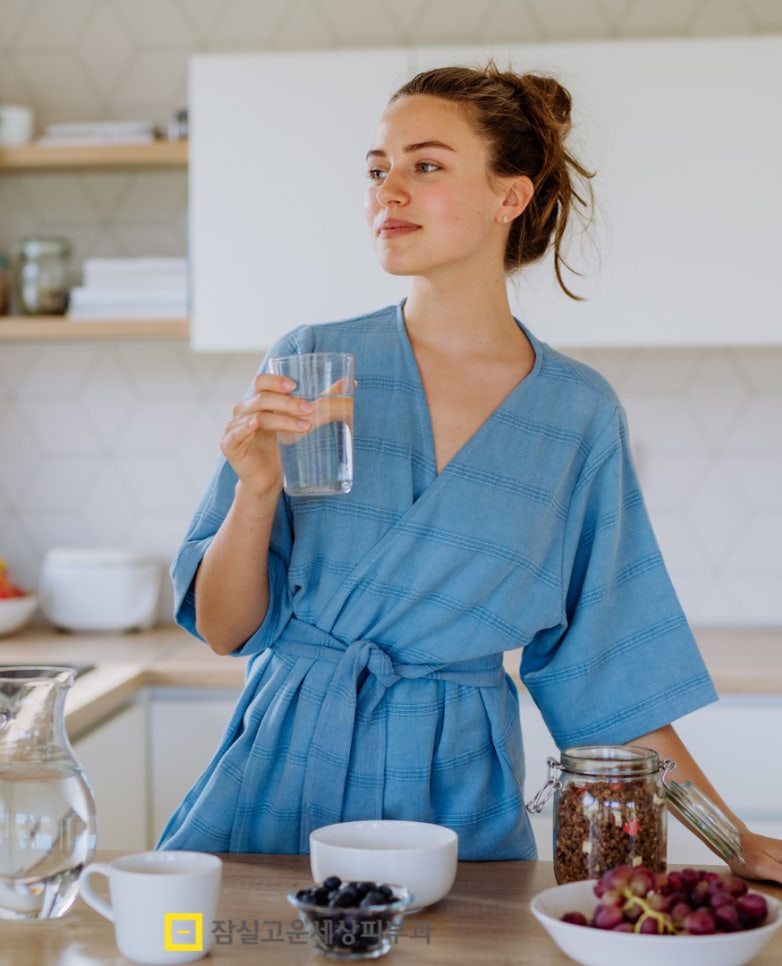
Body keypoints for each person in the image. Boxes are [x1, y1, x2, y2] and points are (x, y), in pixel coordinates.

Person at [157, 63, 782, 883]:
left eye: (426, 166)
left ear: (509, 197)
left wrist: (733, 840)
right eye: (378, 171)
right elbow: (225, 628)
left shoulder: (576, 417)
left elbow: (610, 683)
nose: (389, 192)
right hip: (279, 780)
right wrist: (257, 487)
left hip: (450, 804)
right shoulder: (313, 362)